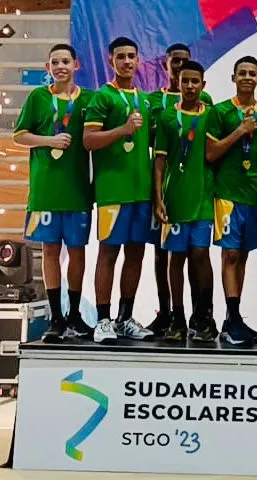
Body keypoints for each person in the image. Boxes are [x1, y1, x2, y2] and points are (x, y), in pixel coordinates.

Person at [13, 43, 94, 343]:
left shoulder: (89, 99)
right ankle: (55, 317)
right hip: (45, 188)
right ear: (48, 68)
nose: (60, 66)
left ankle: (75, 314)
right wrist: (49, 140)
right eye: (55, 62)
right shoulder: (37, 97)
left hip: (77, 188)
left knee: (77, 252)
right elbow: (19, 135)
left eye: (65, 61)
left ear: (76, 66)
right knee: (49, 251)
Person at [83, 37, 157, 344]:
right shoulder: (103, 97)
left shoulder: (146, 100)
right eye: (121, 57)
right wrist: (122, 130)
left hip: (141, 191)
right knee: (108, 254)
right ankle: (103, 320)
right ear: (111, 60)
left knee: (136, 254)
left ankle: (125, 318)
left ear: (138, 60)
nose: (127, 61)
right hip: (113, 191)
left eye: (132, 56)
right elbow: (89, 141)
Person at [146, 43, 214, 337]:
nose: (188, 84)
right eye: (182, 74)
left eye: (193, 79)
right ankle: (174, 316)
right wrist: (158, 197)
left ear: (202, 84)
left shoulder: (211, 111)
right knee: (170, 257)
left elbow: (215, 151)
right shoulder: (162, 112)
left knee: (200, 254)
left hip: (202, 196)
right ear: (167, 66)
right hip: (172, 197)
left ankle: (204, 316)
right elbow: (159, 159)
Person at [205, 56, 257, 346]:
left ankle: (233, 319)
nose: (247, 77)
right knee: (230, 255)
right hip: (228, 194)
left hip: (252, 194)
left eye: (252, 73)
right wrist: (239, 132)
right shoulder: (220, 111)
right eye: (242, 73)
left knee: (243, 255)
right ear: (233, 78)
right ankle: (232, 319)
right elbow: (211, 154)